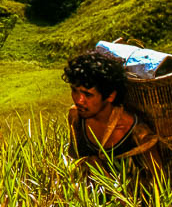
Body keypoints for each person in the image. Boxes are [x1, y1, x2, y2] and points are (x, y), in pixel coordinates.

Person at [63, 49, 162, 191]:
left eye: (88, 94)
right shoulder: (75, 117)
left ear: (110, 96)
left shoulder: (137, 134)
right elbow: (77, 159)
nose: (79, 100)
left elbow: (159, 182)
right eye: (75, 90)